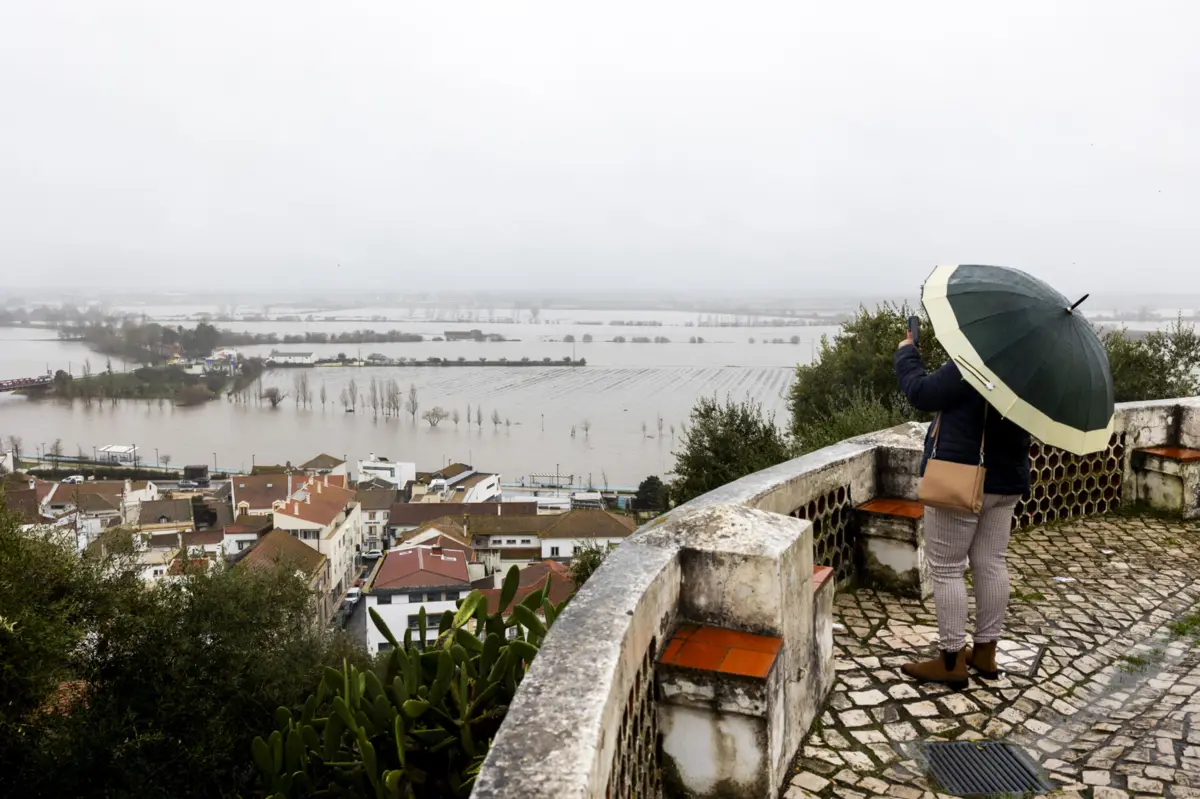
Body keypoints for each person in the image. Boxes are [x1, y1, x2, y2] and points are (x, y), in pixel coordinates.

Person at [894, 330, 1030, 688]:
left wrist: (907, 353)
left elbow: (922, 392)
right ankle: (985, 653)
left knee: (947, 568)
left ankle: (951, 661)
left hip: (961, 477)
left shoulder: (978, 358)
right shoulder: (1028, 371)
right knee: (992, 561)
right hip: (1007, 480)